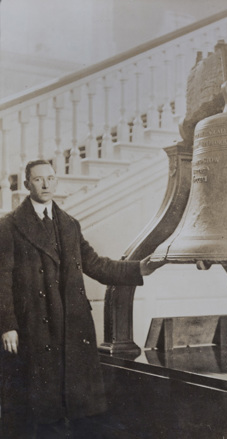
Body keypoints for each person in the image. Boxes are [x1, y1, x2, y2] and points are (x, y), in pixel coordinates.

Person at [0, 159, 161, 438]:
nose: (46, 184)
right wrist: (7, 324)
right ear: (27, 184)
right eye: (38, 179)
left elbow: (96, 265)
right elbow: (1, 278)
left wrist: (139, 268)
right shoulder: (10, 225)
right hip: (35, 326)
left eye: (51, 178)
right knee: (39, 412)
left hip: (71, 326)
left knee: (76, 407)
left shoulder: (69, 225)